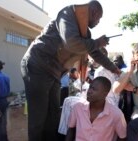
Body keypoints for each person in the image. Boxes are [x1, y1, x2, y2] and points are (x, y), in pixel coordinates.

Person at [20, 1, 120, 141]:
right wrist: (97, 42)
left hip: (53, 72)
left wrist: (113, 68)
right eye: (99, 18)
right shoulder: (68, 14)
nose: (98, 22)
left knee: (53, 116)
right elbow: (72, 43)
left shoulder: (85, 32)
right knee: (38, 117)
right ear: (94, 12)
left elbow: (95, 53)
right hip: (38, 66)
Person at [65, 76, 127, 141]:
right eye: (90, 87)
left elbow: (122, 137)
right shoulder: (78, 108)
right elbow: (71, 129)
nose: (89, 91)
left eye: (94, 89)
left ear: (105, 94)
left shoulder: (116, 114)